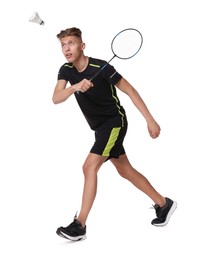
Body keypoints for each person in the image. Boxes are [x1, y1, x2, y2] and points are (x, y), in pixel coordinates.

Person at [52, 27, 177, 241]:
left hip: (114, 123)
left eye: (71, 43)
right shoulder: (66, 70)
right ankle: (164, 204)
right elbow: (56, 98)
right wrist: (75, 87)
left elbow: (130, 90)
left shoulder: (101, 67)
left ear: (82, 46)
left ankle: (79, 224)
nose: (67, 48)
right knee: (125, 170)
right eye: (63, 45)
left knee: (89, 166)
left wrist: (150, 120)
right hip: (100, 128)